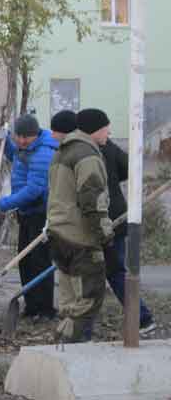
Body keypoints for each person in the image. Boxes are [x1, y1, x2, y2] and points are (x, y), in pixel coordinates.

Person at [47, 108, 114, 342]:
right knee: (88, 298)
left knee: (69, 301)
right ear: (96, 129)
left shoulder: (62, 152)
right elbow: (92, 199)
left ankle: (61, 351)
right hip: (80, 238)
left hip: (58, 232)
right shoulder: (87, 155)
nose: (109, 131)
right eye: (107, 127)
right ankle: (74, 348)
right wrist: (104, 234)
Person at [92, 111, 156, 335]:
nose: (109, 132)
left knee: (115, 270)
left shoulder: (98, 148)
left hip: (108, 219)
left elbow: (129, 167)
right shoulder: (102, 148)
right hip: (113, 216)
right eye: (106, 128)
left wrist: (109, 181)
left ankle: (143, 318)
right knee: (112, 270)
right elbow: (126, 168)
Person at [0, 114, 58, 320]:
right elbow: (16, 156)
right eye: (17, 136)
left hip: (41, 213)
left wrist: (3, 204)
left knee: (40, 262)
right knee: (25, 260)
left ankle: (45, 309)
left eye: (24, 138)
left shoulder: (44, 153)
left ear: (35, 135)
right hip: (27, 212)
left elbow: (34, 190)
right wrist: (5, 143)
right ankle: (31, 306)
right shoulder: (25, 147)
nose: (20, 141)